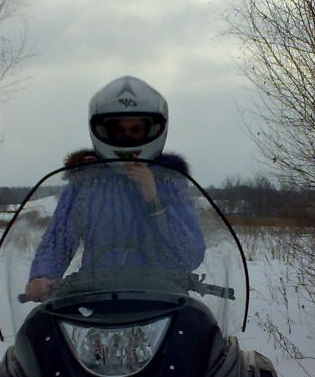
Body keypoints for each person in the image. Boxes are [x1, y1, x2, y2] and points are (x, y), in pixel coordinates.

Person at [25, 76, 206, 301]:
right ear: (102, 130)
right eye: (118, 130)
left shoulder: (169, 182)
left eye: (136, 129)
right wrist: (42, 276)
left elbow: (190, 253)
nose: (127, 137)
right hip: (95, 296)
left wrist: (154, 199)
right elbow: (60, 238)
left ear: (154, 129)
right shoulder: (87, 182)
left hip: (161, 299)